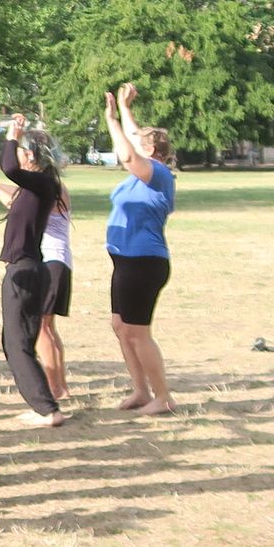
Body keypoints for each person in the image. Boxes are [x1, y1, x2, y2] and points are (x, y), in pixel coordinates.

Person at [0, 115, 69, 427]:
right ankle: (44, 404)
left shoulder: (43, 183)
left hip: (26, 270)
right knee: (18, 341)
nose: (17, 154)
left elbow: (8, 167)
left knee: (16, 343)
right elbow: (10, 174)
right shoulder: (36, 186)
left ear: (30, 154)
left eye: (21, 150)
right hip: (28, 268)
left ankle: (48, 409)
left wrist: (11, 135)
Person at [103, 84, 177, 416]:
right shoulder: (142, 175)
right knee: (121, 326)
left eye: (140, 142)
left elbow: (129, 152)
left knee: (137, 332)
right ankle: (140, 391)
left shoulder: (157, 174)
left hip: (144, 262)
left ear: (151, 150)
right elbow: (135, 140)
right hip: (125, 261)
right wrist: (123, 106)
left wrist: (112, 120)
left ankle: (163, 397)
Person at [0, 164, 74, 404]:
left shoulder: (48, 188)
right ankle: (60, 385)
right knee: (48, 328)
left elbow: (14, 203)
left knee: (41, 329)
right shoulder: (52, 185)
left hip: (50, 260)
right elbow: (18, 194)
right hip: (59, 261)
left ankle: (55, 388)